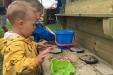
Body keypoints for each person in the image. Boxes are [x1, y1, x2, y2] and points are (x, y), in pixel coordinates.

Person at [0, 1, 52, 75]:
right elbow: (15, 67)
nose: (34, 28)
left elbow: (26, 44)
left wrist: (36, 44)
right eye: (33, 24)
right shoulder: (14, 45)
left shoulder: (22, 38)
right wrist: (35, 61)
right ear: (21, 24)